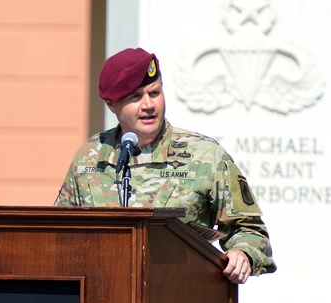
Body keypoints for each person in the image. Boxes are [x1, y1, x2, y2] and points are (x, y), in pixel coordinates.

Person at [55, 47, 275, 284]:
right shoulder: (90, 157)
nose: (149, 105)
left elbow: (251, 230)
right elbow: (58, 234)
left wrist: (242, 253)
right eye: (135, 97)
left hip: (181, 298)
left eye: (155, 92)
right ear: (111, 105)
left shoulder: (204, 155)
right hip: (104, 297)